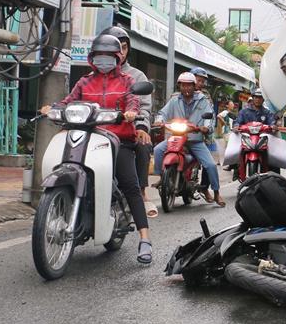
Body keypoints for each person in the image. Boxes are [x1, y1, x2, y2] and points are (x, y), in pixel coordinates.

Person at [40, 35, 153, 264]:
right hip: (87, 136)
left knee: (130, 184)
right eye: (99, 56)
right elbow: (69, 101)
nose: (104, 61)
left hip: (118, 138)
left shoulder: (128, 81)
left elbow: (134, 102)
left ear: (117, 58)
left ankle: (145, 239)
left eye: (109, 56)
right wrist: (53, 108)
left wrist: (131, 113)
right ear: (92, 58)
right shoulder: (84, 82)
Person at [99, 26, 157, 219]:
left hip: (125, 132)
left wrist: (141, 126)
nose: (120, 53)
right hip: (97, 131)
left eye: (124, 47)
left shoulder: (136, 76)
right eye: (116, 48)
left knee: (143, 143)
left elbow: (144, 107)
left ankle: (140, 191)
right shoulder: (93, 75)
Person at [153, 72, 224, 207]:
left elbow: (209, 118)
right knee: (157, 150)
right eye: (183, 85)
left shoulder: (202, 100)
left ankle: (216, 192)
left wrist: (205, 127)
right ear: (179, 86)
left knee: (210, 165)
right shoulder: (174, 100)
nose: (186, 88)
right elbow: (163, 113)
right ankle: (162, 178)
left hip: (194, 139)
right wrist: (159, 121)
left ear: (194, 86)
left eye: (189, 85)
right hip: (175, 137)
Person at [189, 67, 218, 197]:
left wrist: (208, 128)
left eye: (202, 81)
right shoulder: (178, 93)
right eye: (198, 80)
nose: (200, 83)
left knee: (208, 162)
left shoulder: (205, 96)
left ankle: (205, 187)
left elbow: (211, 114)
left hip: (200, 133)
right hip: (181, 132)